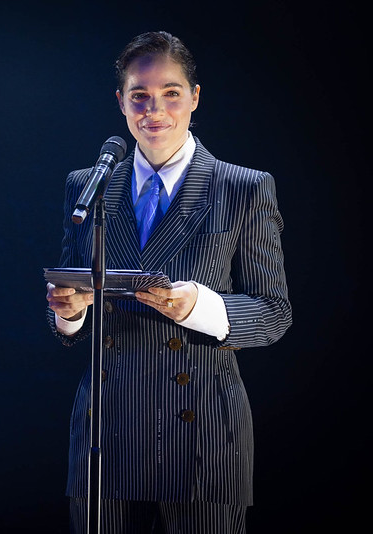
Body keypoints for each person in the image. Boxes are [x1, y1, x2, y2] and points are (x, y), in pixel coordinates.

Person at [46, 31, 292, 533]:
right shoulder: (87, 185)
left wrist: (198, 306)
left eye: (171, 93)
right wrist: (69, 314)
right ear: (121, 102)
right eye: (140, 95)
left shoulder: (243, 187)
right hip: (106, 429)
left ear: (195, 98)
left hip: (202, 429)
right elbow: (71, 304)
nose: (154, 110)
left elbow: (274, 312)